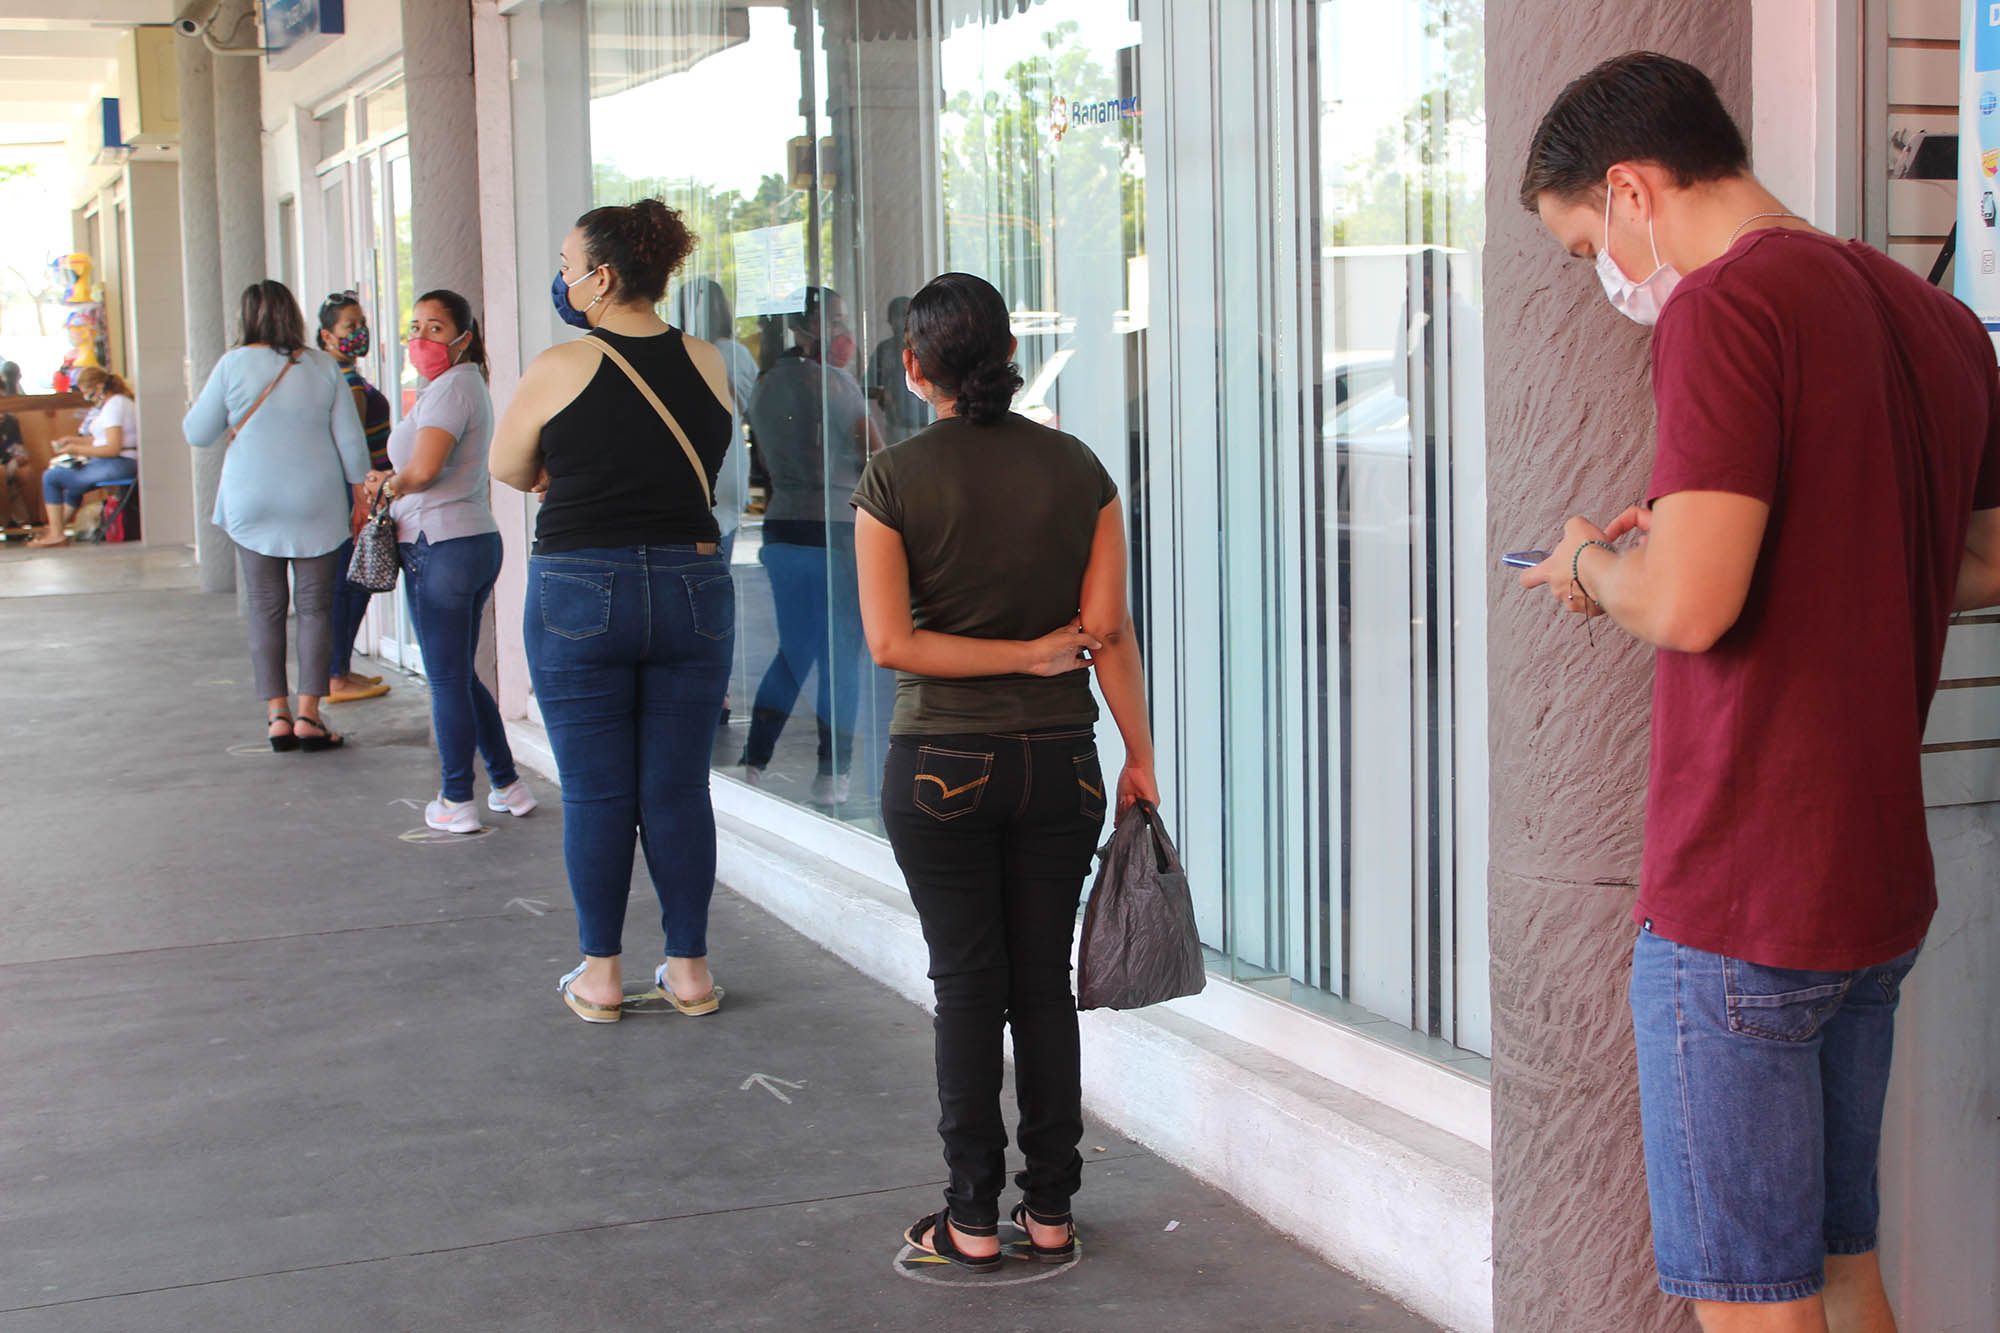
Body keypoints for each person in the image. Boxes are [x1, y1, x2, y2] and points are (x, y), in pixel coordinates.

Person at [1516, 52, 2000, 1331]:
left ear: (1630, 188)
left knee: (1752, 1305)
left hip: (1741, 892)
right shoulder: (1933, 318)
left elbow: (1688, 607)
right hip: (1870, 889)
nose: (1606, 276)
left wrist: (1592, 565)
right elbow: (1983, 556)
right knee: (1842, 1274)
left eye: (1587, 248)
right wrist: (1733, 548)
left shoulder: (1725, 306)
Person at [851, 272, 1158, 1270]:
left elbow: (891, 643)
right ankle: (1052, 1209)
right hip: (1061, 761)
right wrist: (1139, 755)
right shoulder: (1078, 469)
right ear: (1009, 356)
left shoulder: (893, 479)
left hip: (939, 763)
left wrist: (1014, 655)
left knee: (968, 987)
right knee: (1041, 985)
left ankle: (971, 1218)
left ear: (914, 367)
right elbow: (1106, 631)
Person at [491, 197, 737, 1024]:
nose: (561, 279)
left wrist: (560, 469)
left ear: (601, 277)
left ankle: (601, 976)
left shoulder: (559, 366)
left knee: (598, 793)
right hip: (693, 582)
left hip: (579, 586)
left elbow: (508, 465)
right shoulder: (706, 359)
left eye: (567, 267)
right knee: (677, 787)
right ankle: (690, 971)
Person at [364, 289, 533, 834]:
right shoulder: (458, 386)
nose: (420, 338)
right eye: (415, 327)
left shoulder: (453, 389)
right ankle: (507, 785)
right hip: (467, 542)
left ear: (464, 336)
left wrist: (386, 484)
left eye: (434, 328)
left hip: (439, 546)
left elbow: (423, 471)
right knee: (458, 674)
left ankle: (456, 799)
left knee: (445, 680)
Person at [185, 280, 370, 752]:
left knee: (266, 607)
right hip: (316, 500)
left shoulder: (232, 364)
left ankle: (276, 715)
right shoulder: (323, 366)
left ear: (246, 317)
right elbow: (351, 442)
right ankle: (309, 714)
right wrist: (360, 497)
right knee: (315, 607)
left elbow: (198, 432)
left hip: (252, 499)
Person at [741, 285, 885, 805]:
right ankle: (834, 773)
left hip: (783, 527)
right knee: (840, 654)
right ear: (808, 327)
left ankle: (754, 761)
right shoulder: (836, 384)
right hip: (835, 529)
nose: (844, 332)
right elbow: (877, 454)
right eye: (837, 320)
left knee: (795, 650)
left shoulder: (766, 384)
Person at [317, 292, 394, 704]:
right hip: (361, 493)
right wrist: (366, 498)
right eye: (351, 326)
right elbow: (354, 448)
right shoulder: (344, 380)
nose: (359, 332)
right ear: (327, 335)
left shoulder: (339, 374)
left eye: (362, 323)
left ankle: (340, 669)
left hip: (358, 492)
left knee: (352, 581)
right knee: (352, 583)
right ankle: (336, 674)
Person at [673, 277, 754, 558]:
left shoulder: (679, 354)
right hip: (731, 461)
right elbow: (747, 404)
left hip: (695, 469)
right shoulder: (737, 354)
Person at [30, 366, 138, 548]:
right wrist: (72, 441)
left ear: (99, 387)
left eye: (87, 392)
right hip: (121, 461)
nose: (86, 397)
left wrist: (77, 450)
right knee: (73, 485)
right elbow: (100, 440)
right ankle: (56, 529)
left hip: (121, 463)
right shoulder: (116, 403)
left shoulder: (114, 406)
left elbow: (112, 448)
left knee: (51, 477)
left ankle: (57, 534)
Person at [866, 295, 928, 442]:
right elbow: (868, 384)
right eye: (898, 316)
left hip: (928, 421)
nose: (903, 321)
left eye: (907, 315)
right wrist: (883, 394)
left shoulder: (926, 347)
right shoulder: (884, 350)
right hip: (896, 425)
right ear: (890, 320)